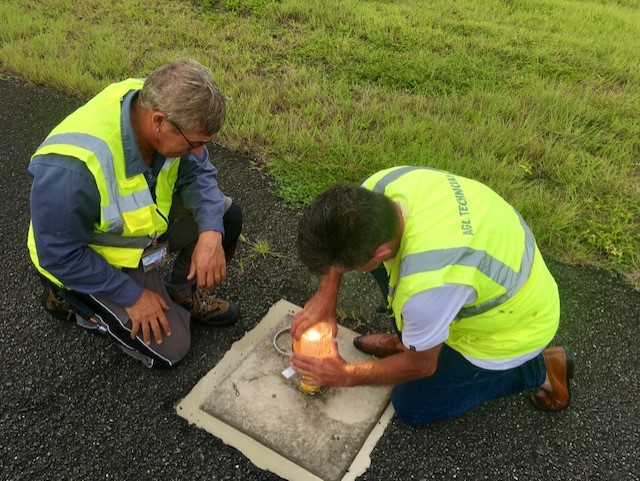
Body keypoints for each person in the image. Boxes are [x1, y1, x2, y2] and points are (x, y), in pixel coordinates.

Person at [290, 166, 573, 426]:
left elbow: (423, 366)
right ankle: (414, 339)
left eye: (341, 267)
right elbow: (341, 243)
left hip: (514, 328)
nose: (339, 271)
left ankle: (539, 368)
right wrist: (326, 298)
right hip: (488, 276)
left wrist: (345, 375)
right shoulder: (377, 189)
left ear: (381, 253)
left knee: (413, 407)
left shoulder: (426, 286)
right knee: (399, 294)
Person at [28, 58, 242, 368]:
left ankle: (179, 293)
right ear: (158, 122)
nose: (199, 152)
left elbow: (198, 174)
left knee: (224, 217)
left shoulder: (157, 102)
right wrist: (131, 296)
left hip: (142, 237)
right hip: (86, 261)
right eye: (194, 143)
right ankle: (69, 300)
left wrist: (211, 233)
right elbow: (59, 254)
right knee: (174, 349)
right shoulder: (71, 170)